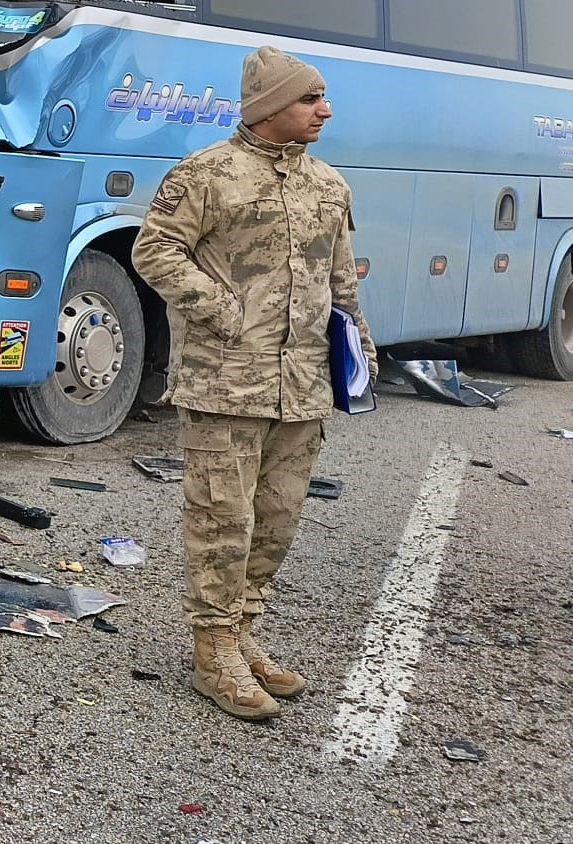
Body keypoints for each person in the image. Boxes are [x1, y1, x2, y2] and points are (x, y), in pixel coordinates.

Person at [131, 45, 372, 722]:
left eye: (323, 98)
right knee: (222, 520)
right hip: (224, 382)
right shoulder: (205, 174)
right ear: (271, 107)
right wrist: (218, 307)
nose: (323, 110)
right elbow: (154, 250)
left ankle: (242, 633)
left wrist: (362, 354)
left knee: (277, 520)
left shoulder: (327, 184)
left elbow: (340, 280)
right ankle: (213, 651)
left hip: (301, 385)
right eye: (310, 98)